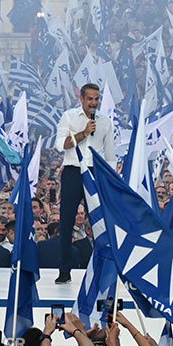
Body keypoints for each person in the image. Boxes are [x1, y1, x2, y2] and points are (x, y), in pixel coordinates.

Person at [53, 83, 116, 283]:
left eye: (96, 99)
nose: (93, 103)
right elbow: (61, 145)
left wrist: (110, 180)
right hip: (73, 171)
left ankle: (103, 268)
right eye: (90, 99)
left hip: (95, 173)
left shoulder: (105, 122)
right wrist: (84, 133)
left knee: (99, 222)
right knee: (66, 223)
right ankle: (64, 271)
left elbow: (110, 155)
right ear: (81, 98)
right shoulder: (69, 117)